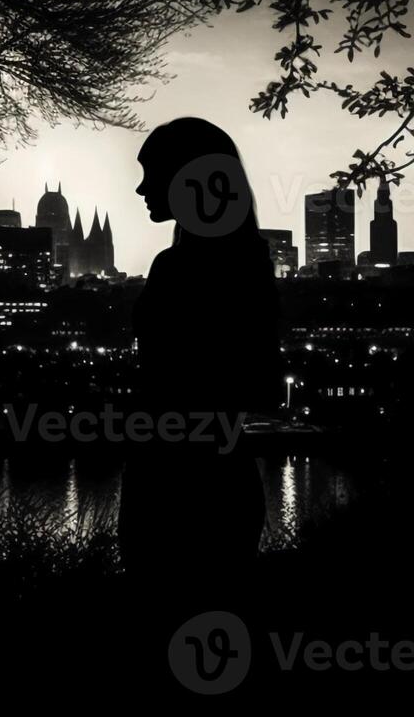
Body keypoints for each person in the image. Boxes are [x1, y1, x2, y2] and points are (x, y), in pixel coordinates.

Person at [119, 117, 282, 600]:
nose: (141, 187)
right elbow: (262, 386)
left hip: (171, 483)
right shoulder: (248, 264)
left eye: (153, 173)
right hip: (223, 480)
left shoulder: (178, 269)